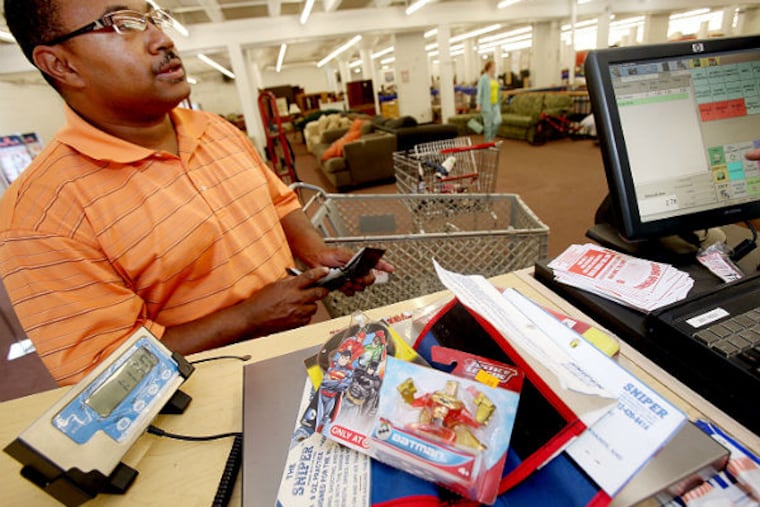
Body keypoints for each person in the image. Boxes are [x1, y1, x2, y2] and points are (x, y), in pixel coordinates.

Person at [0, 0, 393, 386]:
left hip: (314, 347)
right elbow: (104, 370)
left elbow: (279, 202)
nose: (161, 39)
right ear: (60, 64)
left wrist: (315, 253)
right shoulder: (40, 215)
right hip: (214, 403)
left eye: (152, 18)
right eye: (122, 23)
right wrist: (247, 317)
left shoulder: (215, 129)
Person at [475, 60, 501, 143]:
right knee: (488, 124)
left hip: (496, 103)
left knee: (498, 121)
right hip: (487, 104)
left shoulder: (495, 78)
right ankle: (488, 141)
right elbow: (479, 92)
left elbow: (497, 90)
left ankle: (491, 138)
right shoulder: (483, 78)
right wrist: (478, 104)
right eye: (494, 66)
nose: (495, 68)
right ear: (489, 68)